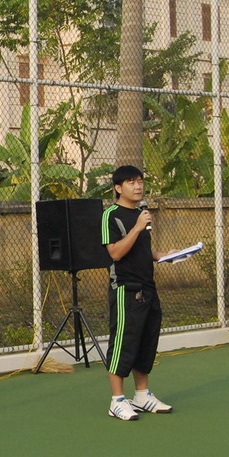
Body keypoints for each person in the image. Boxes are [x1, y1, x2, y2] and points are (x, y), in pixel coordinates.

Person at [101, 165, 175, 421]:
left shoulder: (141, 214)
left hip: (148, 287)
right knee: (123, 343)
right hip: (125, 289)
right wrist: (136, 227)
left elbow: (141, 250)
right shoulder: (111, 215)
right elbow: (115, 253)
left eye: (140, 181)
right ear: (118, 188)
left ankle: (142, 395)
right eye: (131, 182)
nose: (138, 186)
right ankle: (117, 400)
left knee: (146, 341)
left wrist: (163, 255)